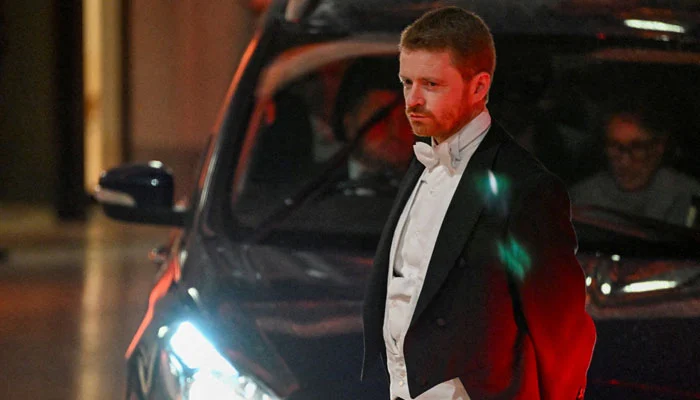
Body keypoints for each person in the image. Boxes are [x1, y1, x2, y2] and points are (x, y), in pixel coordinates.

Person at [361, 7, 596, 400]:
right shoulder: (420, 164)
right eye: (407, 82)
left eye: (431, 84)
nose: (413, 100)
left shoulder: (525, 188)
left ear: (478, 87)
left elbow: (561, 330)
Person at [570, 110, 700, 227]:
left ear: (659, 146)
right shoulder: (580, 199)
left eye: (637, 147)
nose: (625, 161)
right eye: (614, 146)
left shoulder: (689, 198)